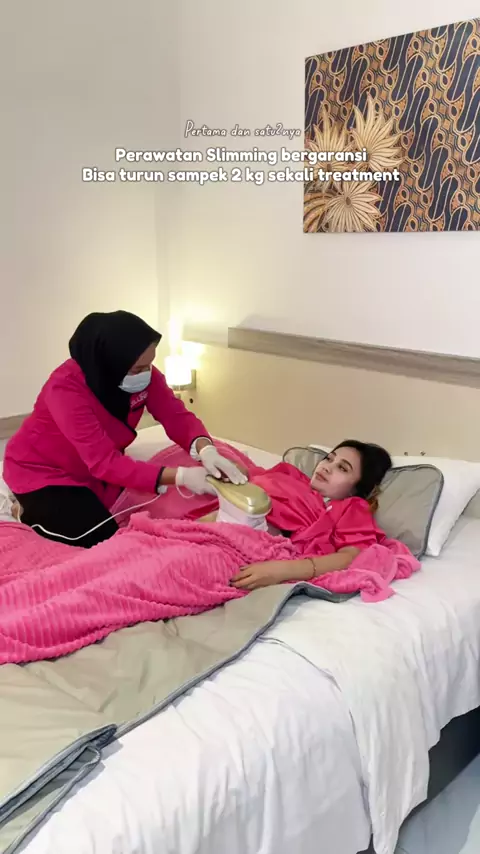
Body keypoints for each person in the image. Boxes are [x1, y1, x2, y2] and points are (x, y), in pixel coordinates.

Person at [3, 310, 246, 548]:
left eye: (149, 365)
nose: (146, 374)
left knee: (136, 521)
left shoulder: (143, 375)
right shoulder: (65, 389)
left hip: (95, 471)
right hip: (44, 472)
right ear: (110, 364)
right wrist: (181, 477)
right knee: (102, 541)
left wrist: (205, 448)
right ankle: (24, 513)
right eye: (137, 369)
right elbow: (104, 462)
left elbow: (176, 416)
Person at [230, 439, 392, 590]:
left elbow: (351, 556)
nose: (326, 467)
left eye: (342, 468)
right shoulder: (290, 475)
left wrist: (283, 570)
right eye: (329, 459)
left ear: (356, 489)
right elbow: (249, 474)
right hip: (227, 513)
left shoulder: (351, 508)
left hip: (251, 549)